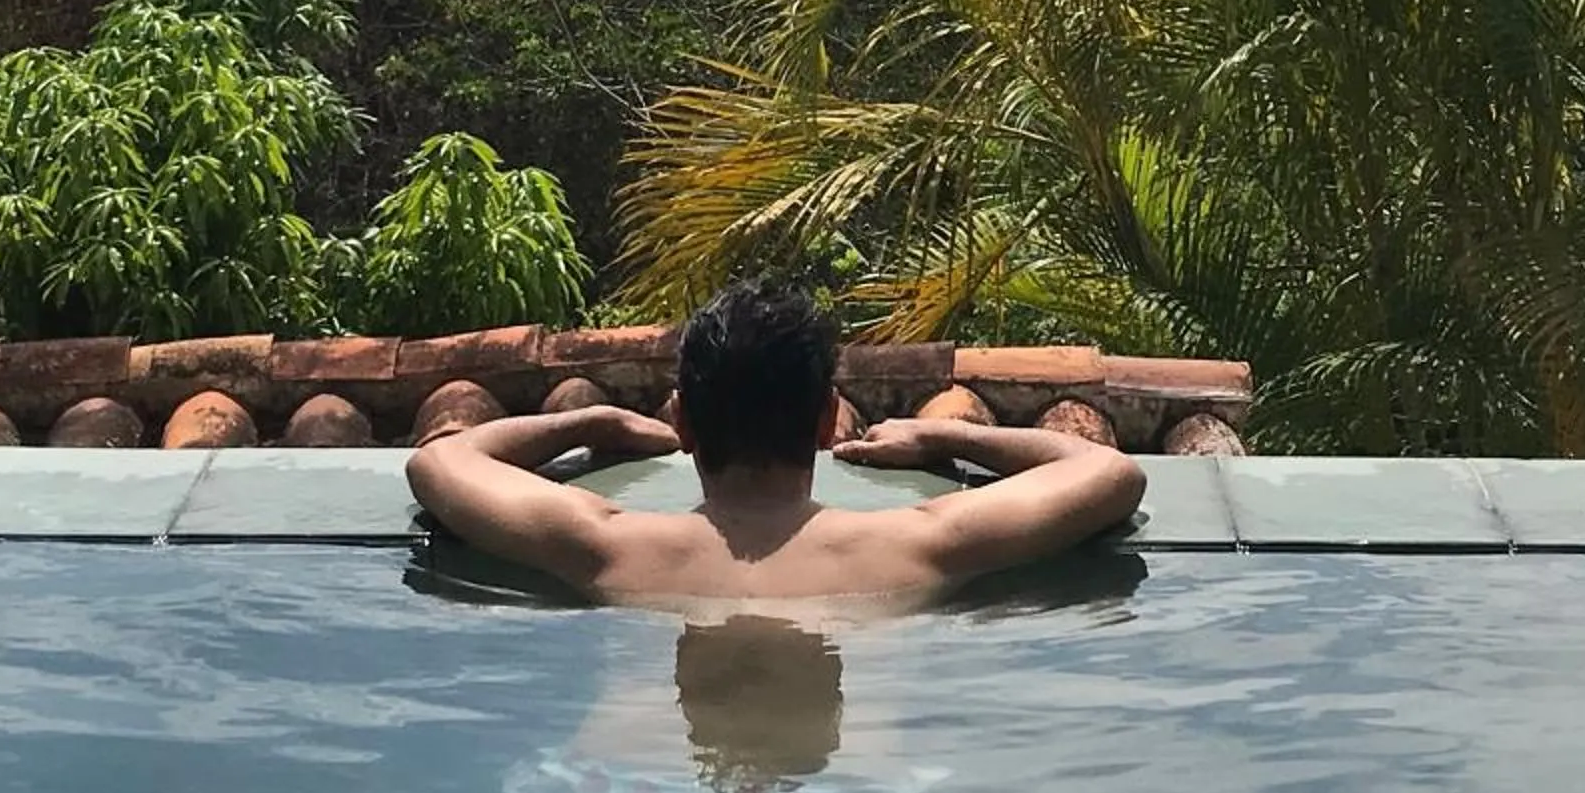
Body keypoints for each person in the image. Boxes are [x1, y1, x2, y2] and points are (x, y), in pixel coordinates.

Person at [405, 274, 1146, 609]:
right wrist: (941, 436)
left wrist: (591, 424)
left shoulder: (605, 546)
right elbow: (1108, 472)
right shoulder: (921, 545)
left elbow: (442, 458)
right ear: (828, 423)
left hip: (630, 781)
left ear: (685, 425)